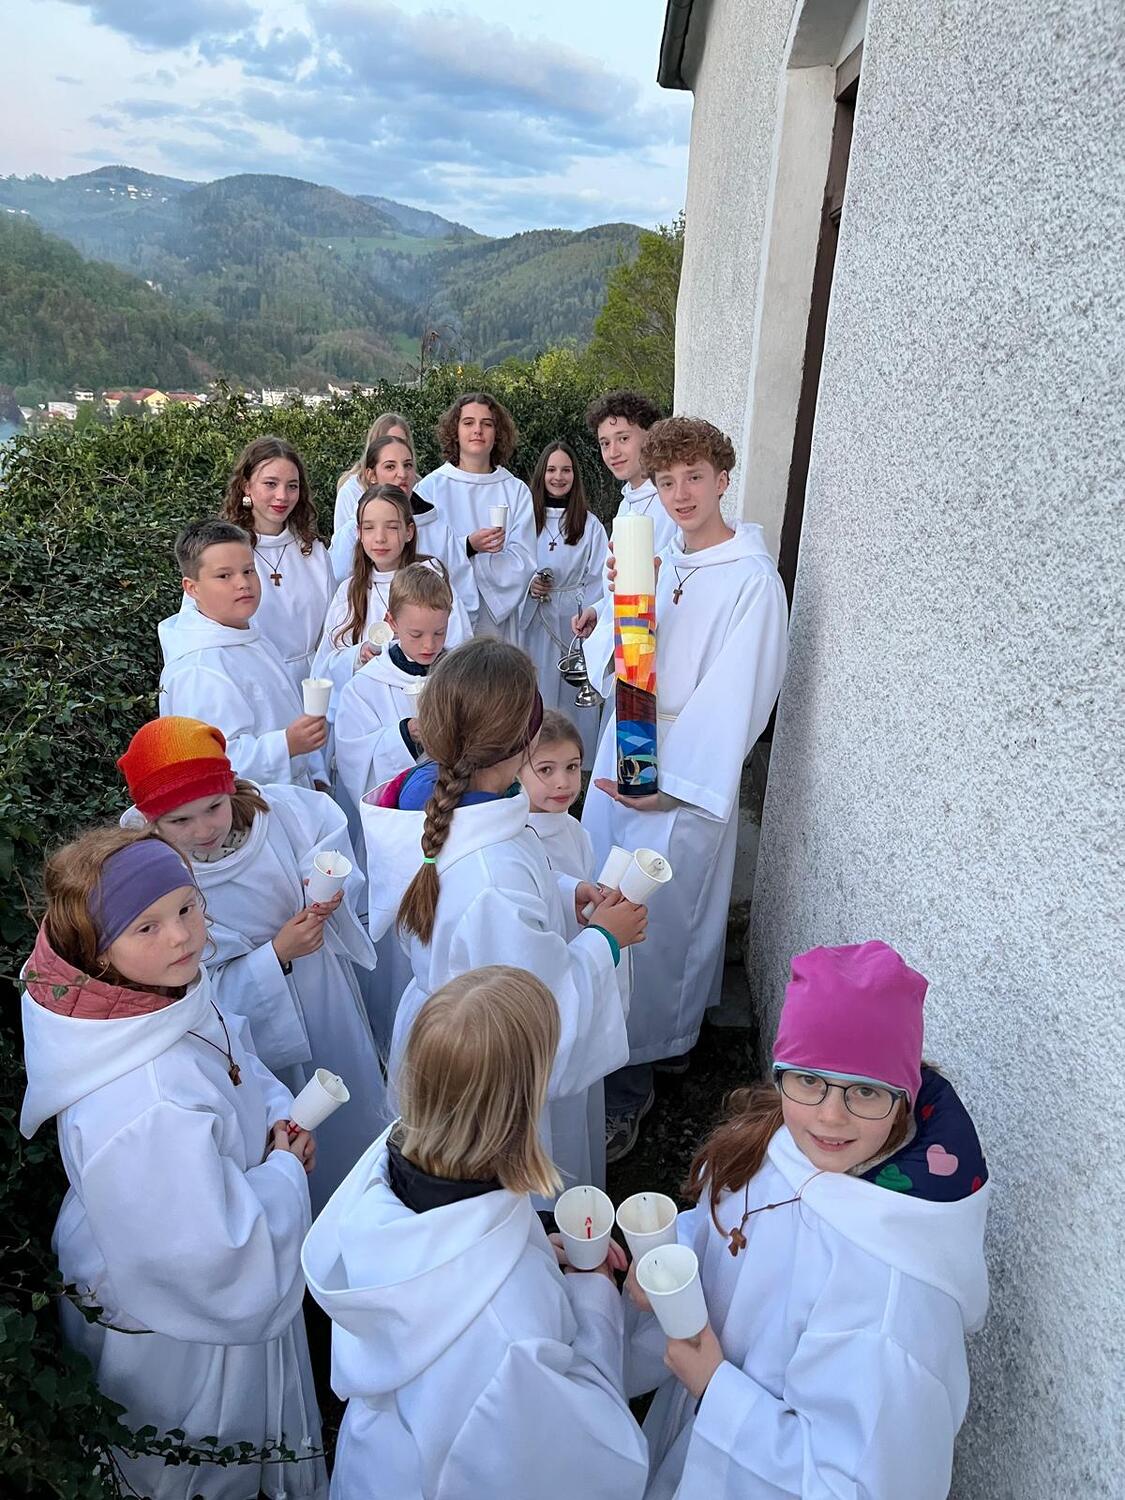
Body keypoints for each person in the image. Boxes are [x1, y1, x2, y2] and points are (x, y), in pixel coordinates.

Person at [19, 827, 326, 1500]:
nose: (182, 936)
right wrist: (279, 1171)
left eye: (187, 907)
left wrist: (275, 1120)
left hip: (167, 1239)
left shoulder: (150, 995)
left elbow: (234, 1057)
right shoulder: (146, 1102)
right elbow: (214, 1257)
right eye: (147, 926)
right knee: (202, 1457)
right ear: (97, 950)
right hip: (182, 1327)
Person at [624, 941, 991, 1500]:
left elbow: (858, 1485)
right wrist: (670, 1259)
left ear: (904, 1095)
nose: (830, 1115)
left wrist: (718, 1392)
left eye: (864, 1090)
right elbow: (731, 1232)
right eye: (808, 1079)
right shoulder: (782, 1143)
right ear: (781, 1075)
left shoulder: (896, 1304)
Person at [301, 965, 649, 1500]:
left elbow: (449, 1255)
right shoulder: (509, 1328)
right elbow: (582, 1454)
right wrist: (595, 1294)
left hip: (378, 1467)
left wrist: (529, 1245)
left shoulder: (381, 1181)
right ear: (522, 1108)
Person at [360, 639, 646, 1192]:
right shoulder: (493, 877)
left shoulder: (438, 801)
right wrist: (605, 942)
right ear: (524, 741)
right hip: (485, 1070)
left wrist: (563, 892)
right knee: (505, 1194)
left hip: (441, 1034)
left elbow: (487, 892)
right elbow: (538, 1004)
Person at [582, 418, 789, 1163]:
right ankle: (629, 1045)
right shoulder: (656, 558)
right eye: (666, 481)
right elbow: (608, 660)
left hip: (677, 771)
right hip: (624, 745)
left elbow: (740, 695)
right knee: (606, 897)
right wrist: (618, 601)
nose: (680, 495)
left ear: (723, 478)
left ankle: (632, 1079)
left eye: (694, 477)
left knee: (662, 925)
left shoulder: (751, 581)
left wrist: (668, 785)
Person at [117, 716, 385, 1212]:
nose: (204, 830)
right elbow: (196, 983)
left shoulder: (280, 814)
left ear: (230, 788)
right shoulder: (153, 876)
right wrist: (276, 955)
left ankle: (369, 1194)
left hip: (321, 987)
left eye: (213, 807)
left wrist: (327, 885)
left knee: (345, 1098)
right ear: (152, 820)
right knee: (289, 1124)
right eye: (180, 821)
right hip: (256, 1025)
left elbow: (325, 832)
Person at [332, 562, 456, 1054]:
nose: (429, 645)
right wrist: (406, 735)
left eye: (439, 633)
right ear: (391, 622)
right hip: (395, 835)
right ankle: (396, 1041)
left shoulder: (457, 673)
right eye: (416, 633)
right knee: (400, 943)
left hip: (454, 825)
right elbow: (352, 761)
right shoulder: (366, 686)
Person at [158, 520, 329, 790]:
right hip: (248, 805)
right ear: (192, 588)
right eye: (224, 576)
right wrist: (286, 745)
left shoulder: (249, 636)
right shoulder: (197, 670)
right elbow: (212, 761)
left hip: (290, 795)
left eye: (248, 571)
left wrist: (313, 770)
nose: (243, 583)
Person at [314, 484, 469, 715]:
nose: (380, 538)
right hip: (367, 713)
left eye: (392, 527)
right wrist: (358, 655)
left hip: (428, 708)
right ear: (359, 533)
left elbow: (460, 650)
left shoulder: (432, 582)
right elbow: (323, 668)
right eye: (369, 528)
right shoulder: (350, 591)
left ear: (409, 531)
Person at [215, 436, 334, 691]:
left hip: (311, 682)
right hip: (251, 684)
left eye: (292, 486)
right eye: (271, 484)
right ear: (246, 486)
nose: (282, 496)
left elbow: (333, 628)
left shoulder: (313, 551)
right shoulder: (221, 552)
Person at [413, 392, 535, 636]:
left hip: (497, 621)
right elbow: (420, 554)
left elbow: (524, 561)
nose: (477, 430)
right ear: (455, 431)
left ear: (497, 433)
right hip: (445, 614)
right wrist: (468, 546)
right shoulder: (430, 488)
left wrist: (469, 559)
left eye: (486, 424)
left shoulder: (515, 490)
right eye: (468, 423)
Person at [517, 440, 609, 761]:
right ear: (541, 474)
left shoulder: (590, 524)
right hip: (535, 619)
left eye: (566, 470)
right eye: (552, 470)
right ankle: (533, 759)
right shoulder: (526, 520)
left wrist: (588, 613)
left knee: (572, 695)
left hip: (573, 620)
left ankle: (574, 762)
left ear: (575, 476)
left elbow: (599, 578)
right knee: (538, 688)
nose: (558, 477)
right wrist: (529, 586)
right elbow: (512, 567)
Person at [571, 390, 672, 650]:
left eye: (623, 438)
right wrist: (599, 610)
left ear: (650, 436)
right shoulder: (629, 500)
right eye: (605, 443)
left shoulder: (671, 503)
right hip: (625, 638)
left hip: (653, 644)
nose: (613, 452)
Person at [329, 432, 475, 610]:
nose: (402, 474)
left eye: (407, 465)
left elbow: (464, 595)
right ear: (371, 475)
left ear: (409, 532)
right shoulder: (350, 534)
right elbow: (337, 593)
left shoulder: (438, 529)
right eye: (390, 467)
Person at [332, 410, 413, 537]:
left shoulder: (417, 486)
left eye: (402, 441)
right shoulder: (351, 491)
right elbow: (343, 540)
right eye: (388, 440)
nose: (396, 446)